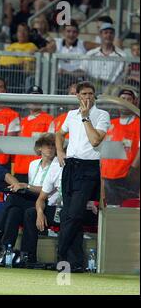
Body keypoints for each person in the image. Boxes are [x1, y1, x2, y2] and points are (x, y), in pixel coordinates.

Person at [55, 81, 110, 273]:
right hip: (70, 166)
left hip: (89, 168)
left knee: (75, 213)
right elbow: (59, 133)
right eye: (84, 94)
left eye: (91, 94)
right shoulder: (71, 115)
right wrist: (59, 152)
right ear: (78, 96)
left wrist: (86, 119)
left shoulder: (102, 115)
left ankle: (60, 251)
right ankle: (74, 262)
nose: (88, 97)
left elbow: (95, 140)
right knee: (69, 214)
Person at [0, 133, 58, 255]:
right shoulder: (33, 164)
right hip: (33, 198)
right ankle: (7, 250)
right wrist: (24, 188)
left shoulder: (58, 165)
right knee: (14, 211)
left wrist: (25, 186)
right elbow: (32, 186)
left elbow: (47, 190)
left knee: (13, 199)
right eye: (47, 145)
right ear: (39, 148)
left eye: (53, 145)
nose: (50, 148)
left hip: (47, 201)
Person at [101, 88, 140, 205]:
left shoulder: (138, 123)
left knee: (125, 211)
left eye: (129, 99)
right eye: (122, 99)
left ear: (135, 102)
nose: (125, 102)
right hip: (107, 176)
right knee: (110, 209)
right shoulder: (111, 123)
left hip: (127, 177)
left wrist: (133, 170)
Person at [13, 86, 53, 183]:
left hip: (38, 169)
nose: (34, 100)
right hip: (20, 169)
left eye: (37, 97)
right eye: (32, 97)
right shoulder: (21, 121)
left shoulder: (49, 119)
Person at [81, 23, 127, 88]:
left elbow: (125, 75)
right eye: (106, 33)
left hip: (112, 91)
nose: (108, 35)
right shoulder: (90, 54)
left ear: (114, 35)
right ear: (100, 35)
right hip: (91, 89)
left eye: (111, 33)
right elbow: (83, 70)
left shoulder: (122, 55)